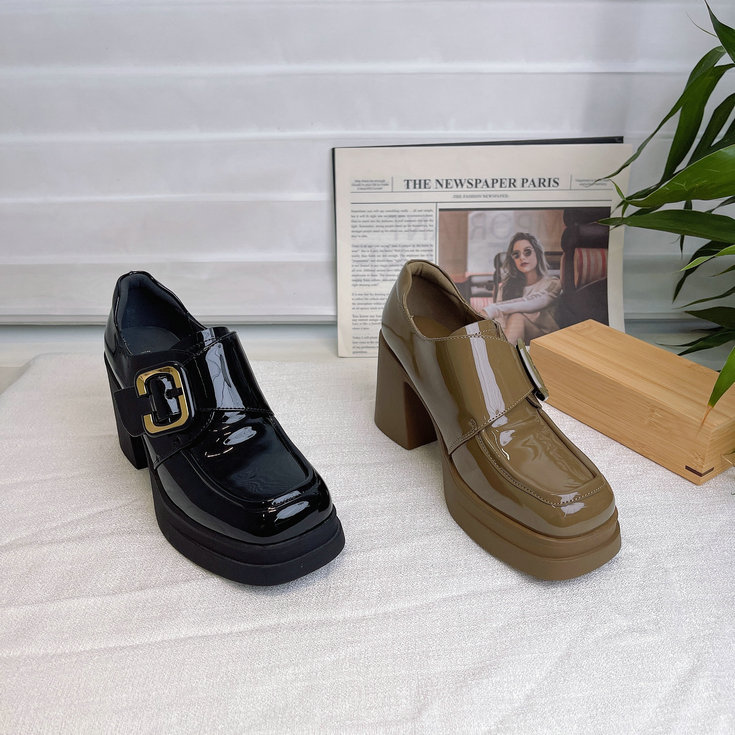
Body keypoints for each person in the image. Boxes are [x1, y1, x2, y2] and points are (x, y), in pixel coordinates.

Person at [483, 232, 561, 343]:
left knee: (517, 317)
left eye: (527, 252)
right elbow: (501, 325)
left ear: (537, 253)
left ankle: (504, 352)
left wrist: (492, 309)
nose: (522, 258)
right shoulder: (505, 288)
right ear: (513, 260)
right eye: (516, 255)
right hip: (516, 341)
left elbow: (533, 302)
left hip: (548, 341)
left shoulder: (553, 283)